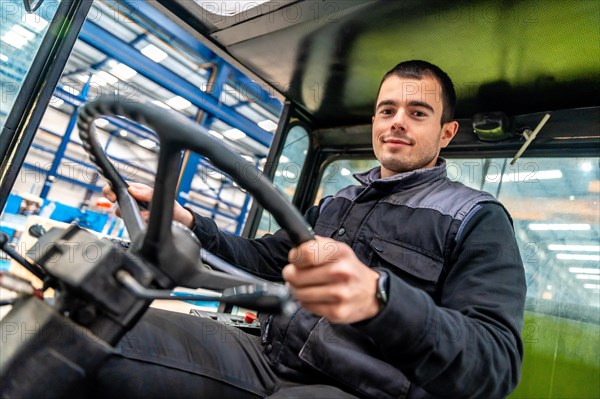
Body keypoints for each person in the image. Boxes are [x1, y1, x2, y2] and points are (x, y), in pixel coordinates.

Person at [96, 60, 526, 398]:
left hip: (359, 390)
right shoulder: (340, 201)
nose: (397, 122)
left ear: (446, 132)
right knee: (104, 329)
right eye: (387, 110)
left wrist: (381, 300)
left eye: (417, 113)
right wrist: (186, 221)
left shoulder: (475, 219)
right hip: (269, 359)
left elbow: (495, 364)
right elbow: (266, 261)